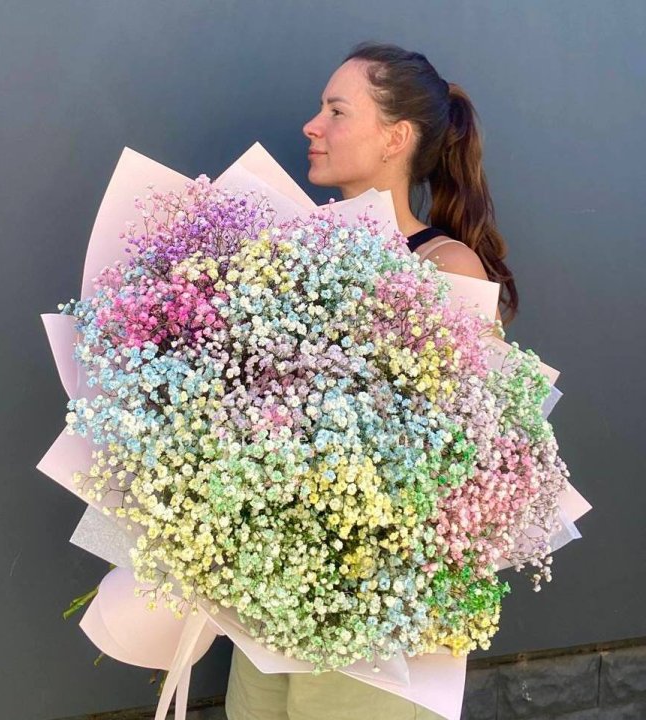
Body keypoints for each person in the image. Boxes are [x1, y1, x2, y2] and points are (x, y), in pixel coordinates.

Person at [225, 40, 519, 719]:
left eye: (336, 111)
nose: (312, 126)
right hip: (271, 590)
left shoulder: (445, 267)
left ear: (396, 137)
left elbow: (474, 451)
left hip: (375, 612)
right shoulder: (286, 254)